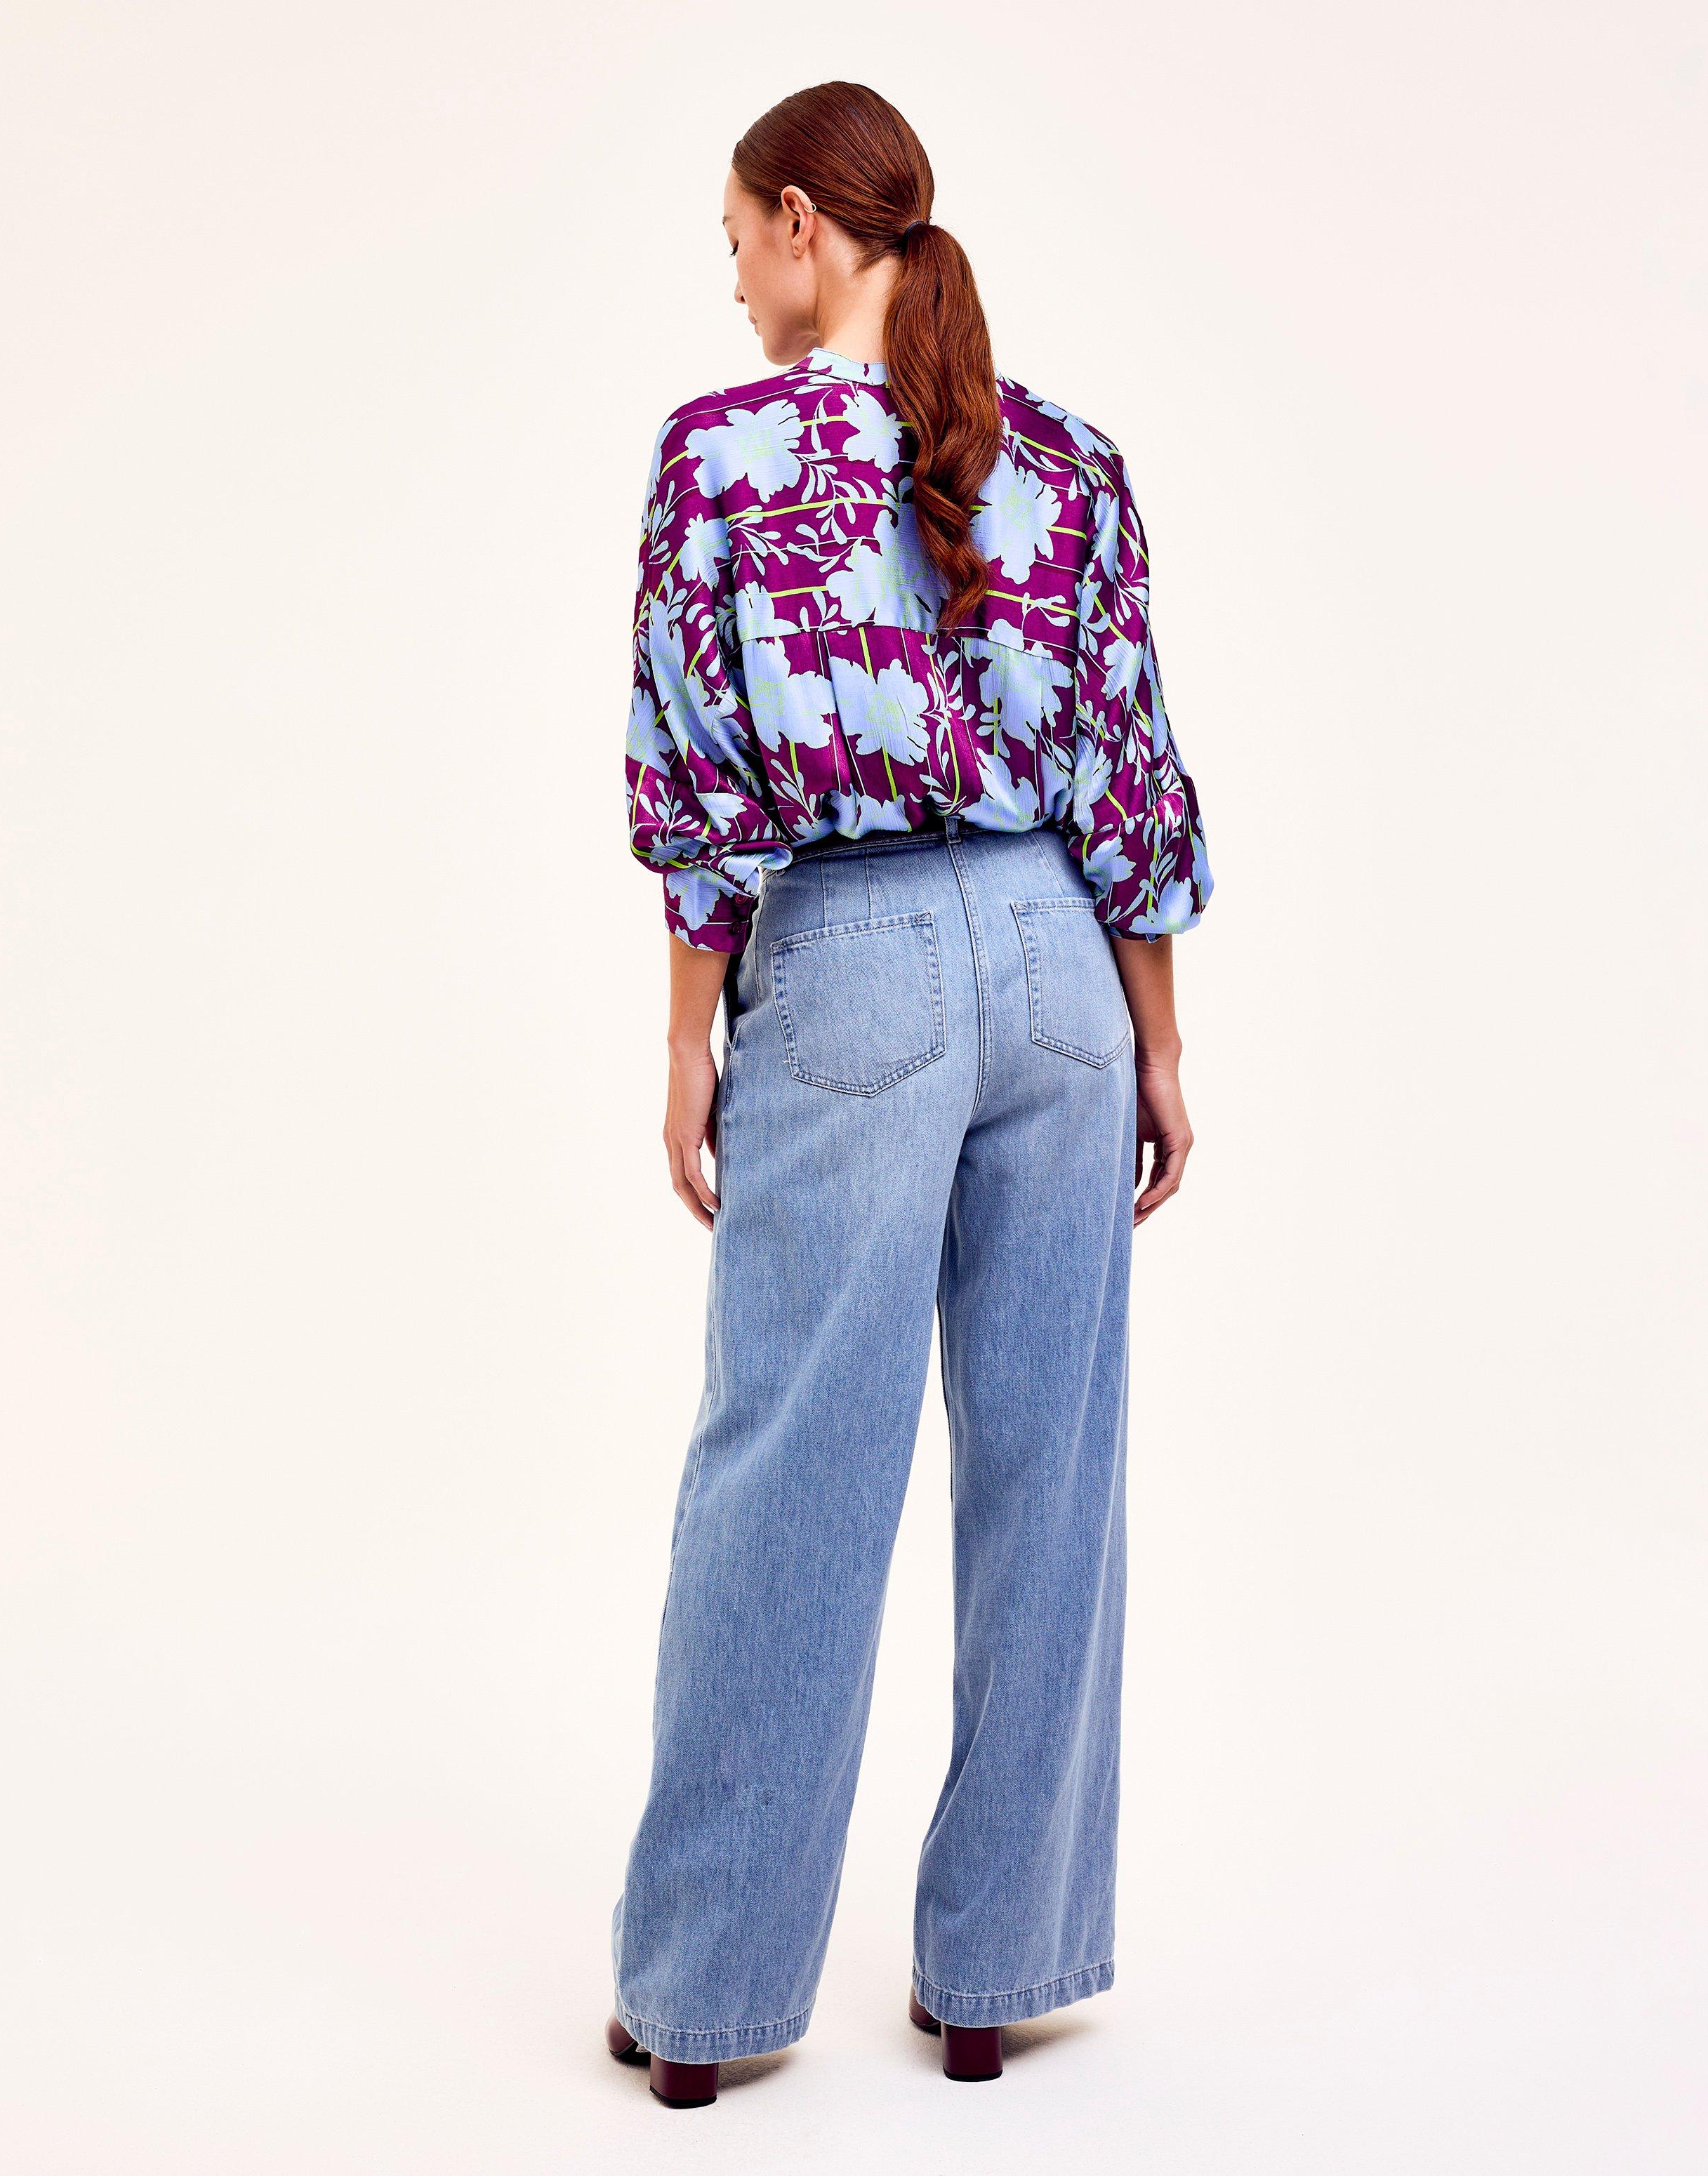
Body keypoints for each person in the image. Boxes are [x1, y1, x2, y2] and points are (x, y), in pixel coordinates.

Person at [606, 80, 1214, 2109]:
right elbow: (1129, 765)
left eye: (737, 241)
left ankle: (707, 2001)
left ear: (803, 222)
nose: (735, 284)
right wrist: (1157, 1039)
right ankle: (999, 1974)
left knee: (789, 1466)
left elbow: (692, 781)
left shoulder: (719, 457)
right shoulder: (1071, 459)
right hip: (1061, 961)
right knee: (1053, 1465)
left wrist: (687, 1036)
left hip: (848, 960)